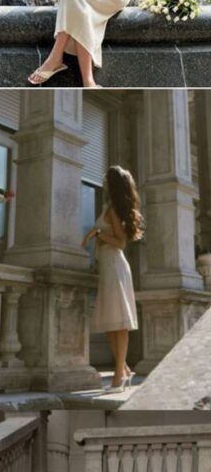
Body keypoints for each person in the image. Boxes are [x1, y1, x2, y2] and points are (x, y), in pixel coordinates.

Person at [81, 165, 143, 392]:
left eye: (106, 177)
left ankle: (118, 377)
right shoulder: (110, 207)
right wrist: (97, 261)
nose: (103, 179)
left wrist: (97, 233)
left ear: (113, 182)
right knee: (110, 323)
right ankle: (123, 369)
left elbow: (120, 242)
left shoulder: (114, 209)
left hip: (116, 267)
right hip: (108, 268)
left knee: (119, 324)